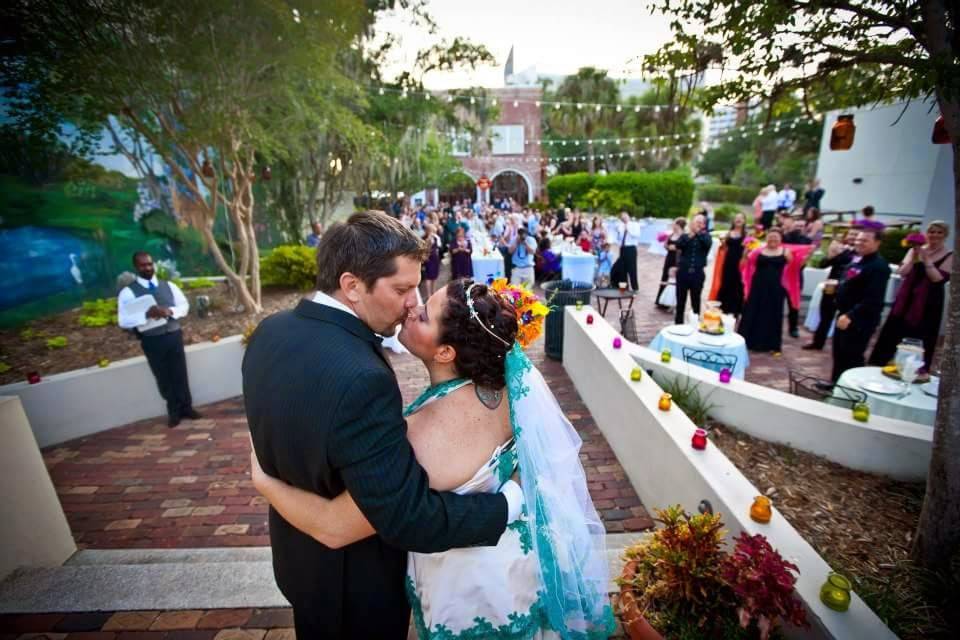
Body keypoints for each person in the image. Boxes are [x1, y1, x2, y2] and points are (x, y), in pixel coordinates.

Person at [250, 278, 615, 640]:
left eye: (424, 315)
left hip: (472, 592)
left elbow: (335, 526)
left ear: (445, 353)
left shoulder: (426, 437)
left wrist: (265, 482)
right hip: (517, 568)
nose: (411, 308)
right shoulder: (503, 388)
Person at [242, 213, 527, 639]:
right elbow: (407, 517)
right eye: (402, 289)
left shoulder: (270, 331)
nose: (413, 301)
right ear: (352, 285)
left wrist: (266, 482)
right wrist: (509, 504)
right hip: (354, 589)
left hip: (299, 564)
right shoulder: (361, 377)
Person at [117, 252, 200, 428]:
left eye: (149, 264)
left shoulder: (168, 285)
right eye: (142, 265)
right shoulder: (128, 292)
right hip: (152, 339)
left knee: (180, 372)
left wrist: (170, 311)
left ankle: (187, 407)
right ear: (136, 267)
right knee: (162, 376)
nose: (147, 268)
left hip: (173, 334)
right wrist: (145, 315)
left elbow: (184, 305)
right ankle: (174, 412)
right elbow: (123, 320)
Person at [869, 221, 952, 371]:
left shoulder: (950, 255)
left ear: (945, 235)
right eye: (932, 231)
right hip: (907, 296)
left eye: (939, 232)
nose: (935, 235)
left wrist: (926, 259)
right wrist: (914, 257)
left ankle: (911, 368)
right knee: (894, 329)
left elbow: (937, 279)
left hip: (928, 300)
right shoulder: (915, 250)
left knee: (919, 333)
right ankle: (880, 363)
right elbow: (902, 273)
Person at [831, 228, 890, 381]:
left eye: (864, 240)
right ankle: (835, 384)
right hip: (844, 313)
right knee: (838, 353)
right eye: (858, 239)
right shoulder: (858, 259)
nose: (859, 242)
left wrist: (850, 315)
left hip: (859, 319)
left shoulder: (879, 267)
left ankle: (851, 390)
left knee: (852, 356)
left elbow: (873, 299)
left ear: (877, 243)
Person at [738, 228, 792, 353]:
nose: (773, 239)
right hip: (758, 287)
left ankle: (771, 345)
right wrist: (745, 252)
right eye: (770, 236)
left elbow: (793, 269)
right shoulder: (758, 251)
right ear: (766, 238)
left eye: (776, 237)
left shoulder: (786, 252)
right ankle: (747, 342)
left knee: (773, 315)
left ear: (780, 239)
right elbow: (744, 264)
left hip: (776, 289)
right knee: (751, 312)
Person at [803, 231, 856, 350]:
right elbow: (823, 265)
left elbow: (850, 264)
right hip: (830, 286)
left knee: (844, 317)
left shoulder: (858, 254)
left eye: (855, 234)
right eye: (851, 234)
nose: (852, 237)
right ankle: (817, 343)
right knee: (825, 316)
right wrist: (831, 254)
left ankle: (841, 346)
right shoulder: (842, 251)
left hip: (848, 289)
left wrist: (840, 253)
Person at [673, 213, 713, 324]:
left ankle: (695, 325)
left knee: (696, 301)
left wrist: (697, 233)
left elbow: (707, 244)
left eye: (701, 223)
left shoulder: (706, 236)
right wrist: (690, 235)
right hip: (683, 273)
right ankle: (678, 325)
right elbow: (678, 245)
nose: (699, 224)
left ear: (704, 225)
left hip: (697, 274)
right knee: (680, 301)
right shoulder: (685, 236)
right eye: (697, 222)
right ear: (692, 223)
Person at [708, 213, 747, 317]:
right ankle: (723, 309)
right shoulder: (728, 233)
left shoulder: (746, 235)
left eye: (741, 218)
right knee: (725, 284)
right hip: (727, 263)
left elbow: (750, 249)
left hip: (740, 264)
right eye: (736, 218)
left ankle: (736, 311)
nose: (738, 220)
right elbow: (723, 248)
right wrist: (723, 243)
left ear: (744, 221)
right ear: (733, 221)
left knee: (738, 286)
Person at [780, 215, 813, 338]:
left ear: (806, 227)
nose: (799, 227)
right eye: (797, 225)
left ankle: (793, 328)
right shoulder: (784, 238)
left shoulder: (807, 241)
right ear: (792, 224)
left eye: (802, 226)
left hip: (796, 276)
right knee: (777, 301)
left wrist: (809, 254)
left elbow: (804, 261)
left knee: (794, 303)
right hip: (781, 274)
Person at [656, 218, 686, 311]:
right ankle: (661, 300)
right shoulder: (671, 234)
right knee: (665, 277)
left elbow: (684, 248)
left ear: (679, 225)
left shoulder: (683, 236)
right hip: (669, 258)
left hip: (677, 259)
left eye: (675, 224)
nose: (673, 226)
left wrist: (676, 248)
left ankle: (672, 302)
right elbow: (666, 244)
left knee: (674, 280)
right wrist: (667, 246)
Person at [611, 211, 642, 291]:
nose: (623, 218)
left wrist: (627, 228)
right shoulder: (620, 226)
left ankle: (635, 288)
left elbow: (636, 235)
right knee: (621, 269)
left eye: (624, 216)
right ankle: (623, 287)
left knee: (632, 269)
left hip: (631, 248)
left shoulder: (635, 225)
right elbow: (619, 238)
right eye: (622, 217)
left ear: (628, 216)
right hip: (623, 248)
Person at [422, 223, 441, 297]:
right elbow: (424, 248)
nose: (433, 232)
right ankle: (429, 294)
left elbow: (439, 246)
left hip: (435, 258)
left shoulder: (436, 238)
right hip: (428, 259)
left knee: (434, 276)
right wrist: (429, 239)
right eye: (431, 231)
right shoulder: (424, 238)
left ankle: (434, 291)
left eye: (433, 231)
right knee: (429, 277)